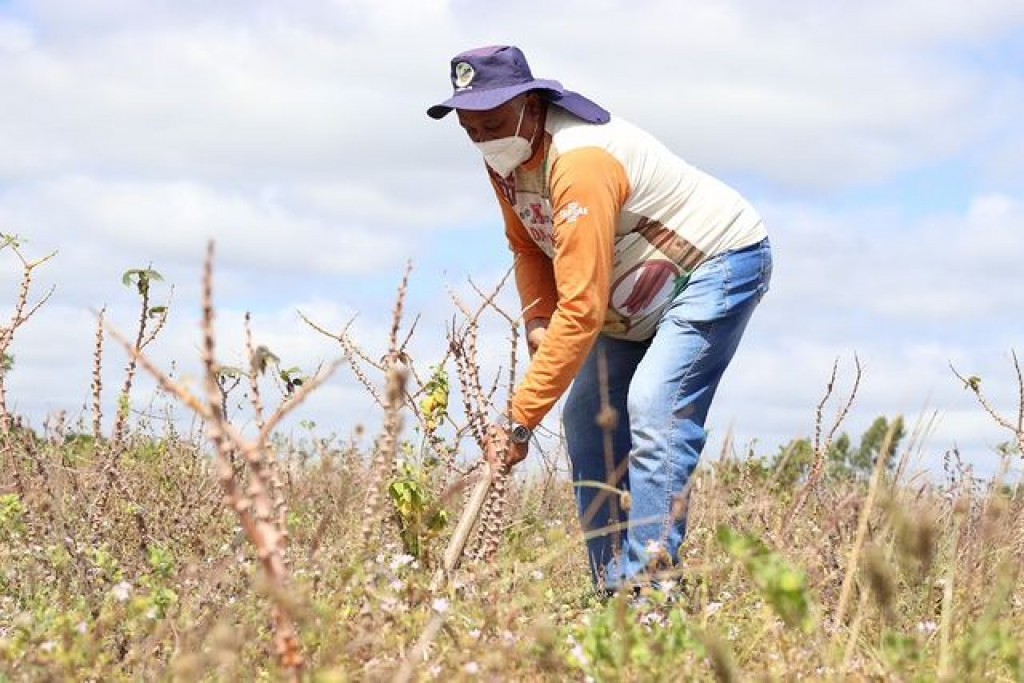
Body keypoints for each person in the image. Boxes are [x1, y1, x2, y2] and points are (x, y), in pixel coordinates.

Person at [427, 45, 773, 594]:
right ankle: (612, 595)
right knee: (587, 420)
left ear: (530, 105)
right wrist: (538, 317)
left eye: (492, 123)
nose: (484, 139)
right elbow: (528, 245)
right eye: (470, 129)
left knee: (655, 406)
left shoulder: (580, 162)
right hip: (634, 289)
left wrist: (518, 421)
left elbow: (583, 309)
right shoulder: (506, 160)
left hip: (713, 263)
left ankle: (650, 594)